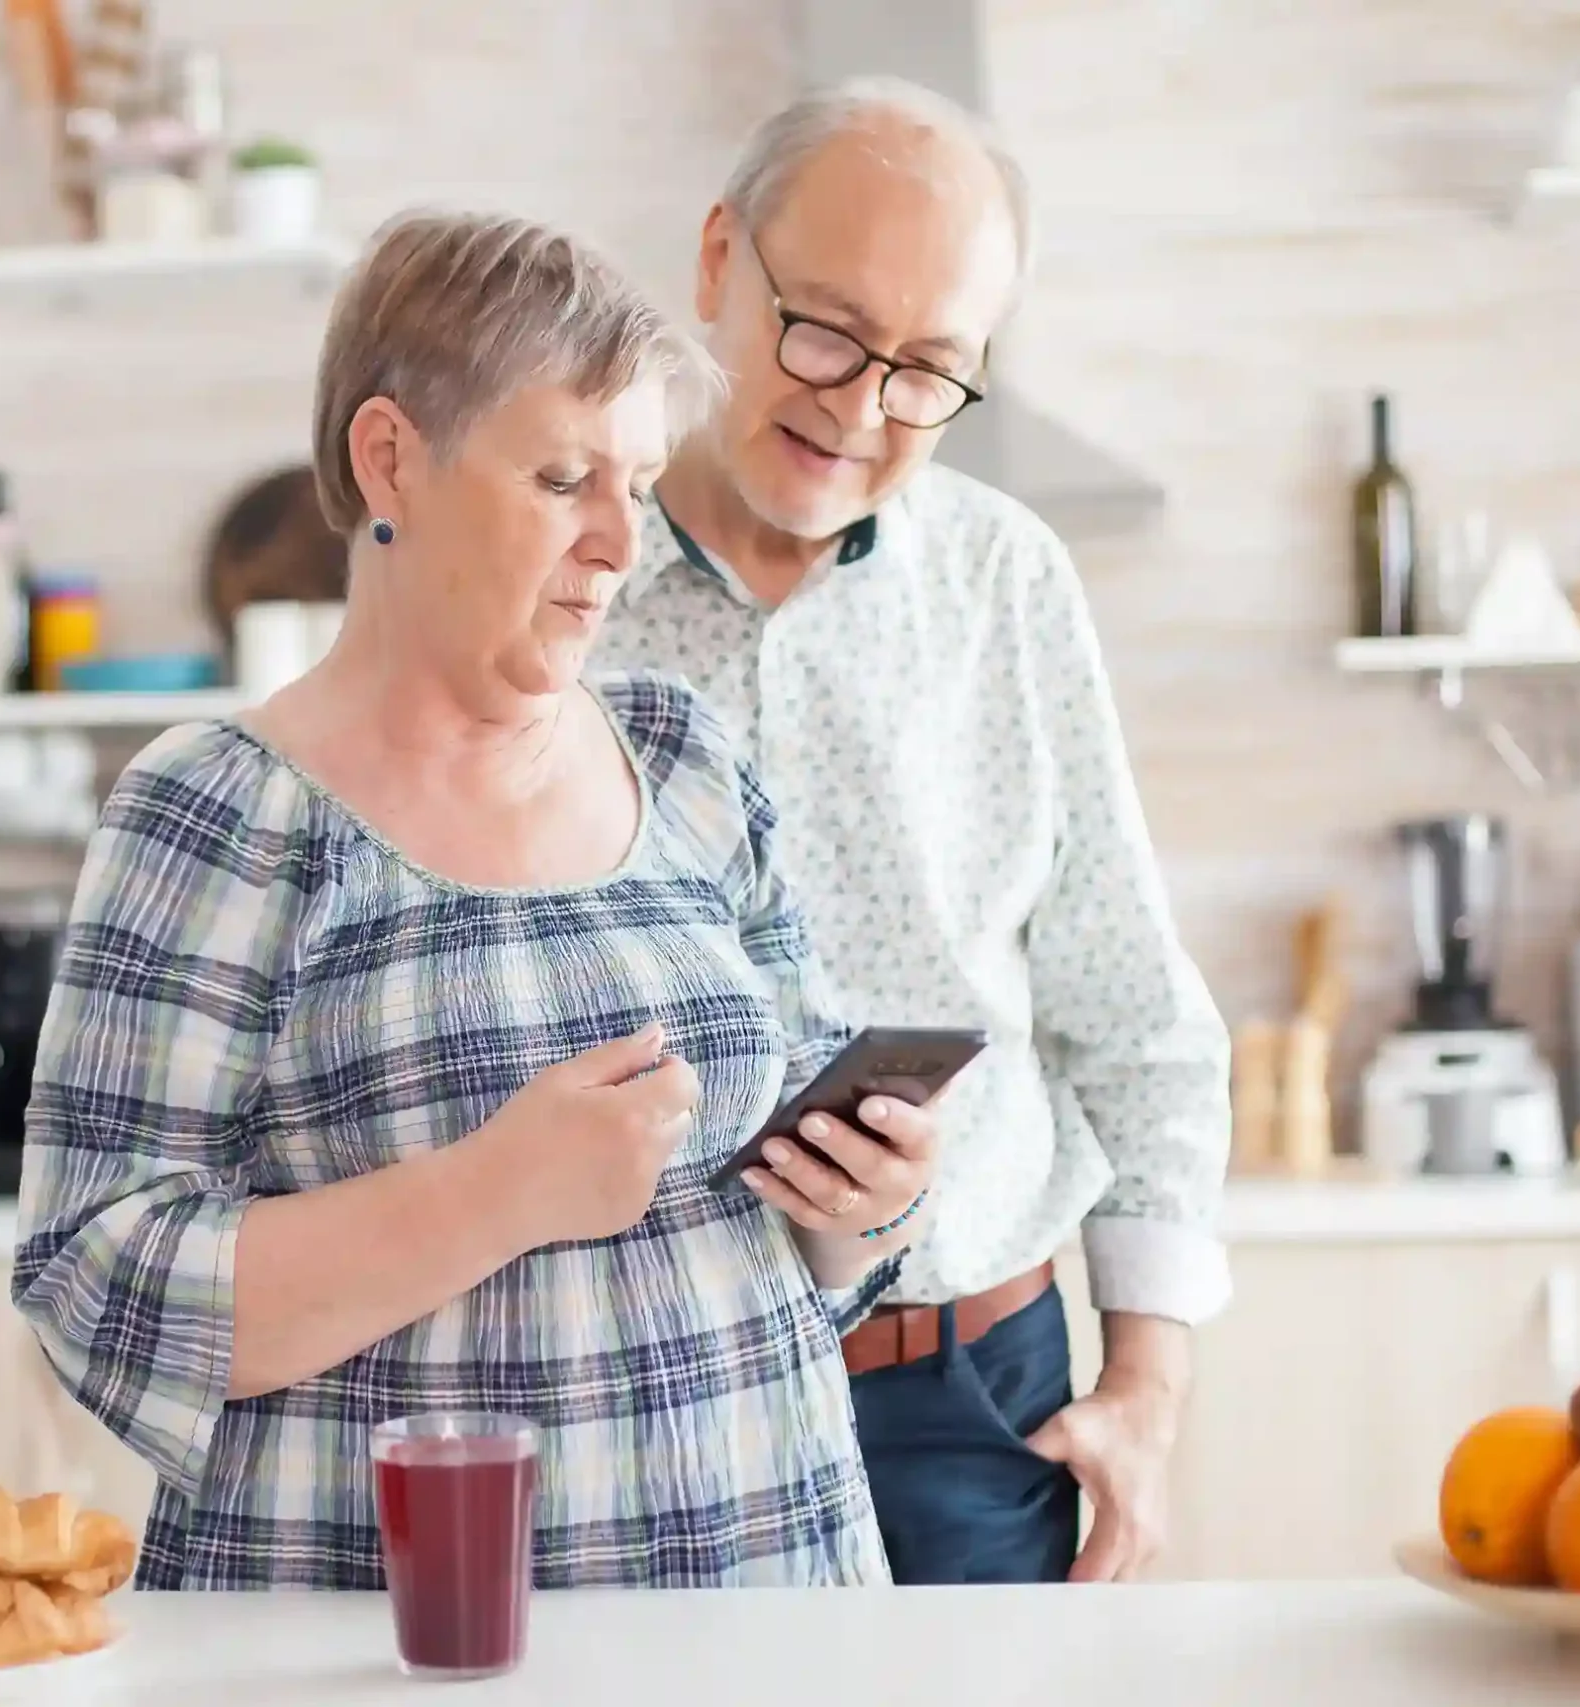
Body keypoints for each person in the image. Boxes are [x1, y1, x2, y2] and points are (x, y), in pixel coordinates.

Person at [11, 209, 949, 1592]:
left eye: (638, 481)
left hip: (772, 1603)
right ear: (390, 456)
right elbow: (97, 1288)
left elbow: (812, 1220)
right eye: (564, 477)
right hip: (390, 1643)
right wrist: (494, 1193)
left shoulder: (682, 757)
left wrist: (868, 1199)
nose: (621, 542)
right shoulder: (220, 809)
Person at [589, 78, 1233, 1587]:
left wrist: (1148, 1388)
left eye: (932, 368)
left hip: (969, 1401)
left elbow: (1133, 1011)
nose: (862, 407)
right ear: (717, 260)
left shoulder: (1007, 582)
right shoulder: (570, 584)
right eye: (824, 329)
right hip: (642, 1392)